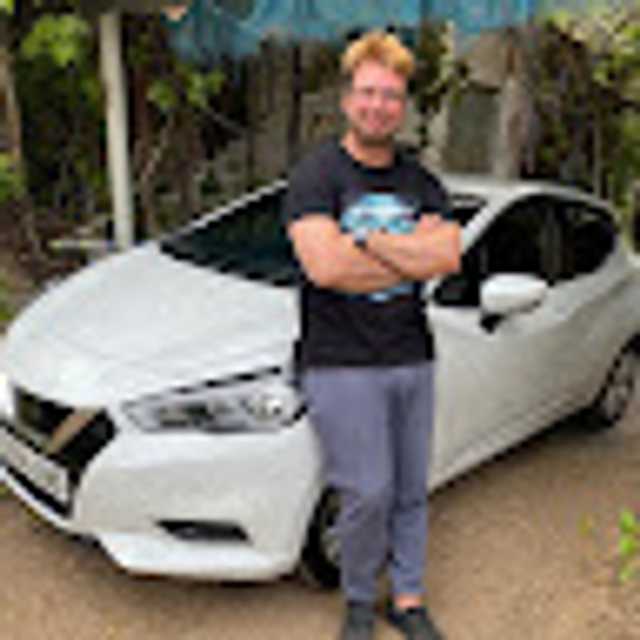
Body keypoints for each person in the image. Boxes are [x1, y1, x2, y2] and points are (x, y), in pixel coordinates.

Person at [283, 30, 461, 640]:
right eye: (367, 92)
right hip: (341, 360)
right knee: (367, 493)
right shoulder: (316, 176)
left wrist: (367, 240)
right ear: (347, 99)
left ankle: (407, 598)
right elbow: (325, 268)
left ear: (403, 105)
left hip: (412, 355)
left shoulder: (421, 182)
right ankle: (359, 597)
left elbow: (447, 256)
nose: (378, 105)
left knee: (411, 489)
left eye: (390, 95)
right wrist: (409, 254)